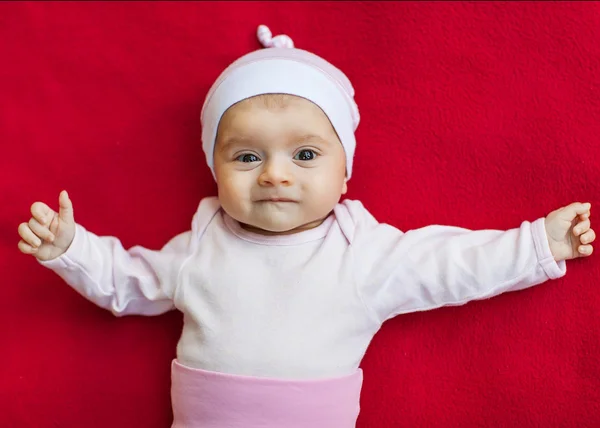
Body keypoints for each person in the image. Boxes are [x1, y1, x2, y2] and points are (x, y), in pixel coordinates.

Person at [17, 25, 595, 428]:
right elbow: (127, 281)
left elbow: (453, 265)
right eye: (246, 157)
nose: (274, 175)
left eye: (305, 156)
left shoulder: (361, 252)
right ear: (212, 167)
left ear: (346, 173)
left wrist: (538, 243)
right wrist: (72, 248)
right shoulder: (201, 245)